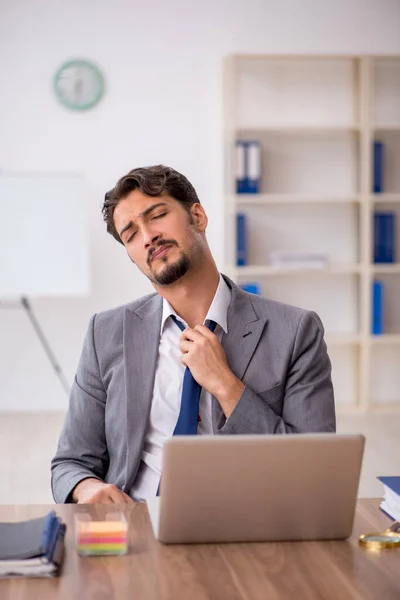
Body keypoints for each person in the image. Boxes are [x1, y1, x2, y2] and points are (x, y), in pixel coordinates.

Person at [51, 165, 335, 504]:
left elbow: (315, 470)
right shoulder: (106, 333)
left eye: (156, 215)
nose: (147, 237)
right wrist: (90, 489)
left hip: (246, 524)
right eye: (131, 235)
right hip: (136, 526)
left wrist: (226, 386)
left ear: (197, 216)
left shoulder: (295, 331)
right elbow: (70, 462)